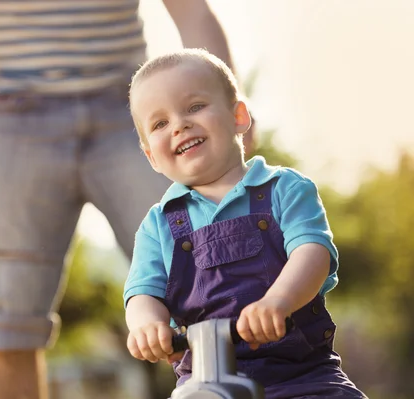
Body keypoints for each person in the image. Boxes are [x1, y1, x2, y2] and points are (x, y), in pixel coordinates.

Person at [0, 1, 249, 398]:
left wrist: (225, 111)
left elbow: (192, 12)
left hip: (133, 113)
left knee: (218, 294)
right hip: (20, 122)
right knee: (3, 327)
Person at [124, 48, 367, 398]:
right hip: (202, 382)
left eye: (194, 107)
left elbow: (312, 252)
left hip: (303, 376)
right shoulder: (158, 225)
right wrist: (148, 326)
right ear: (151, 156)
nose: (179, 124)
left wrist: (278, 302)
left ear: (239, 115)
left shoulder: (285, 189)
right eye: (160, 123)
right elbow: (142, 293)